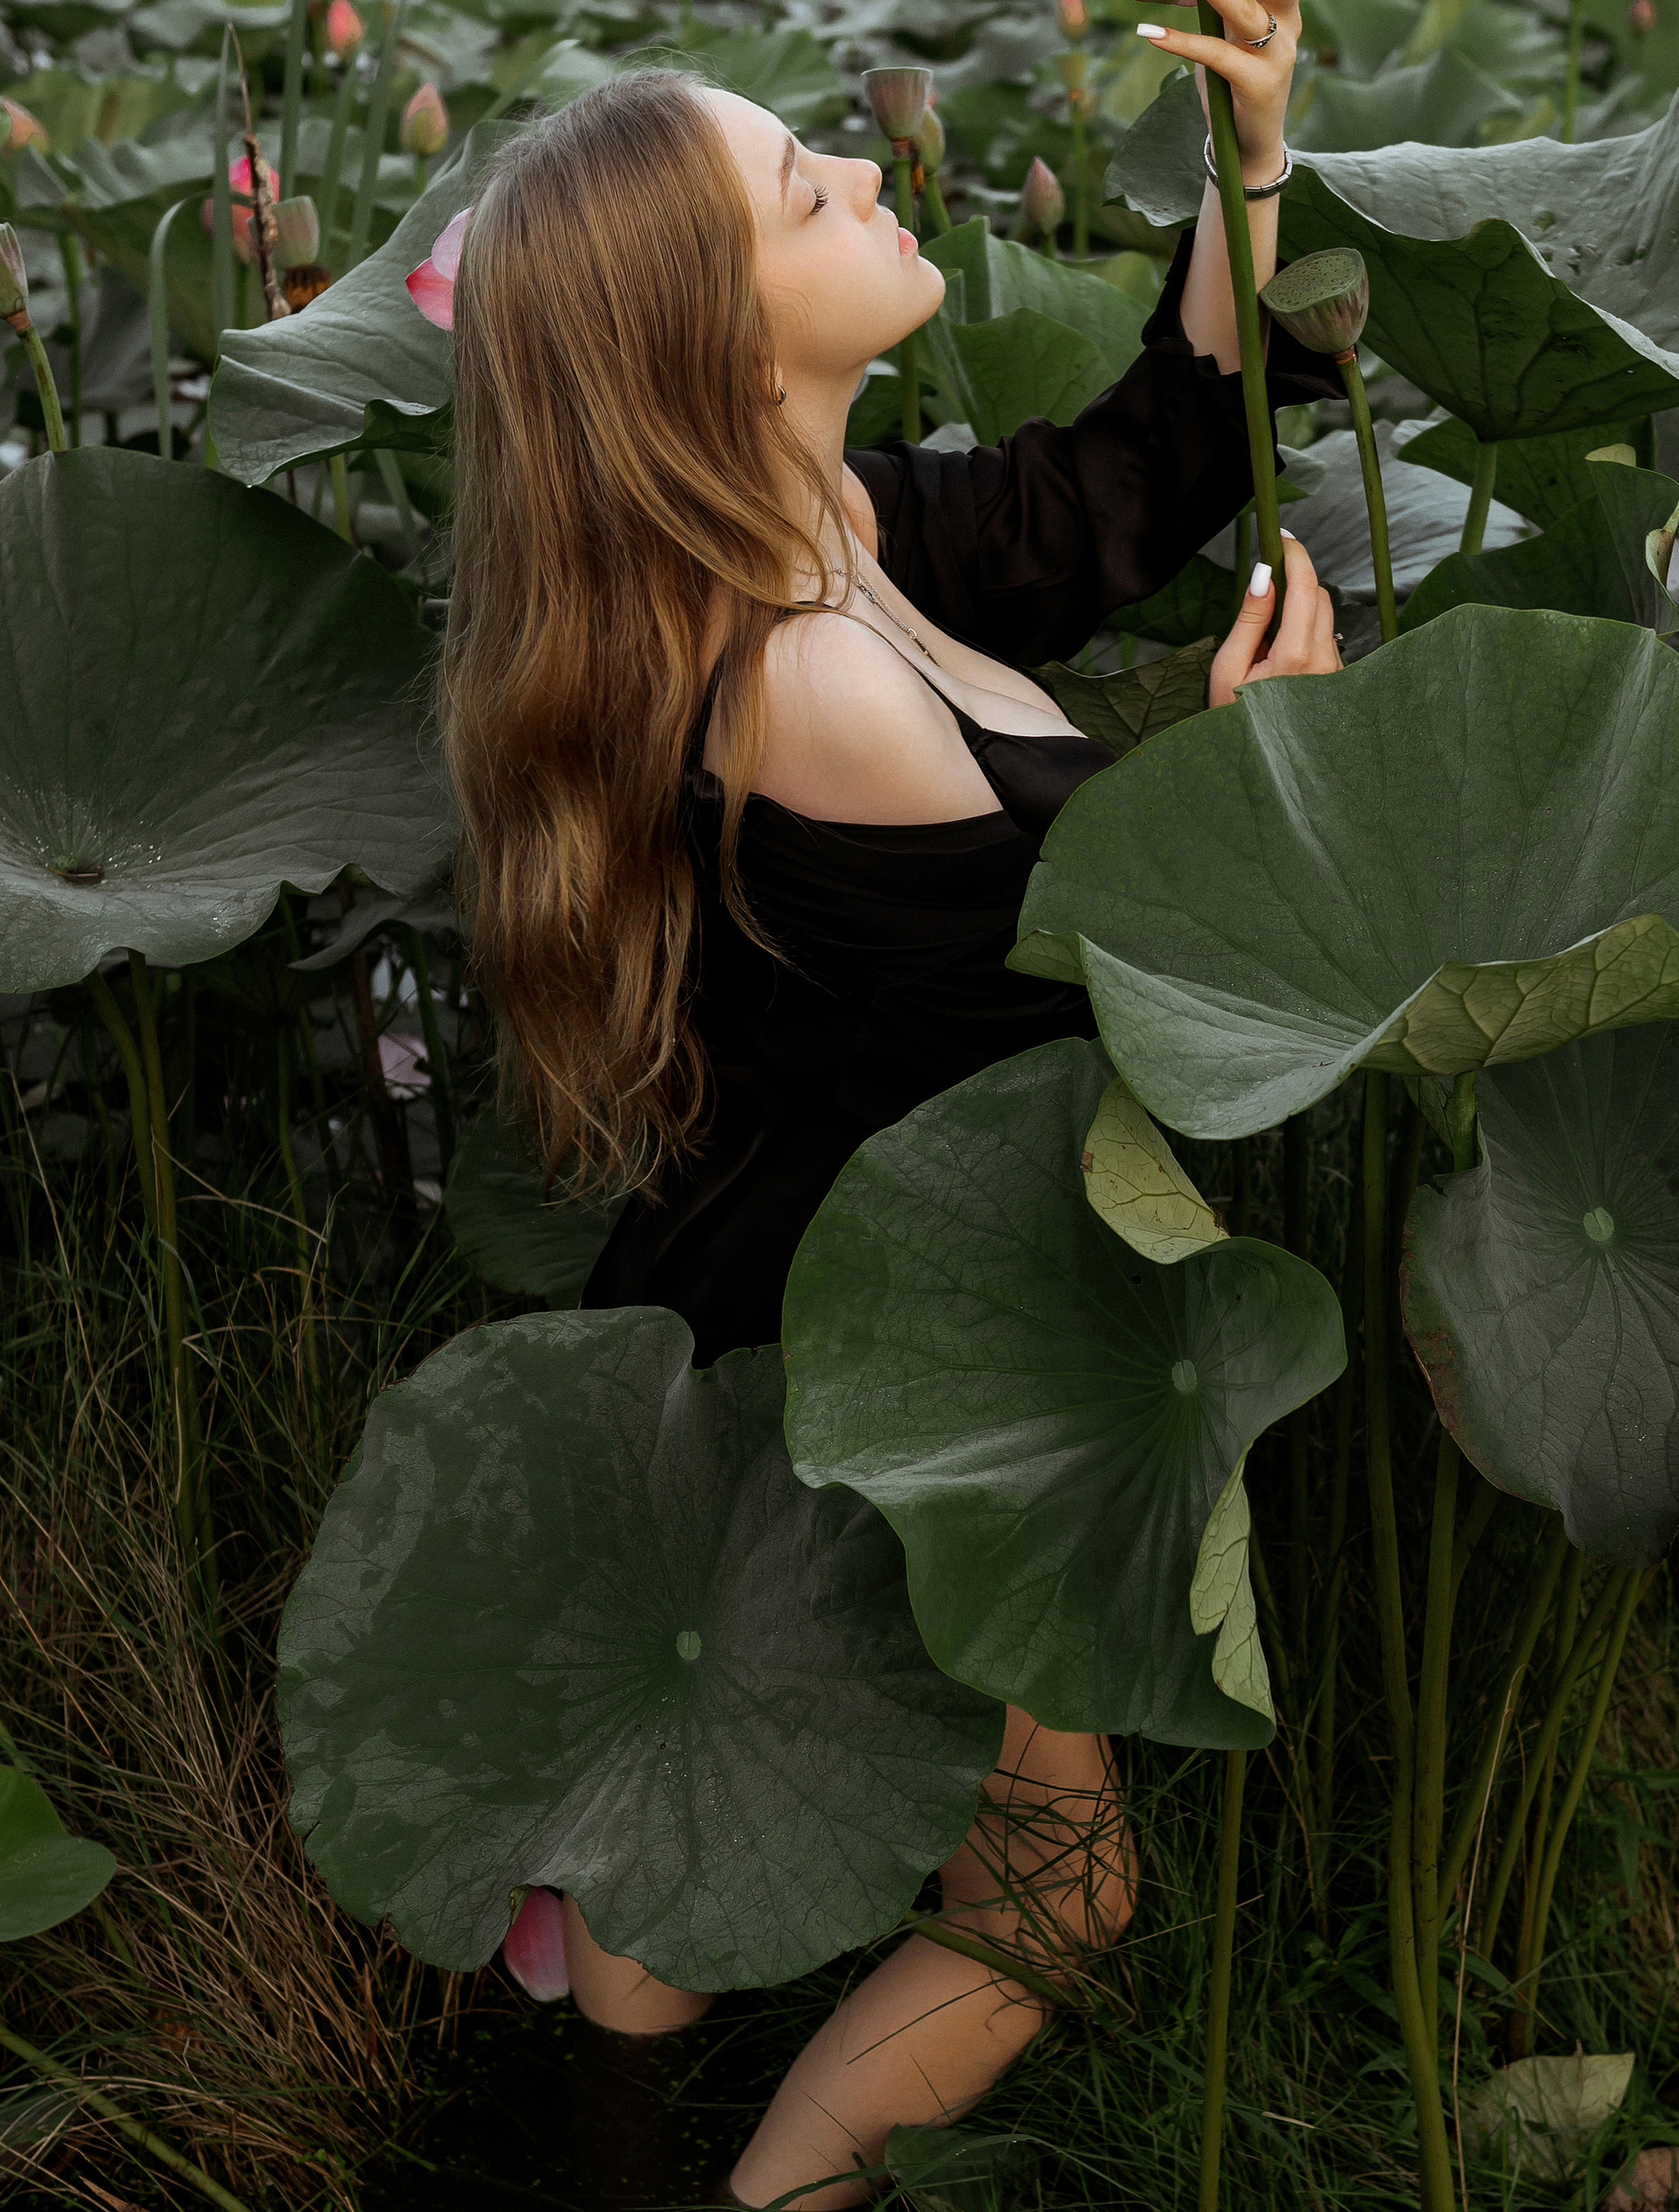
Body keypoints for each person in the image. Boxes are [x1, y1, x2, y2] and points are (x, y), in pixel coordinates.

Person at [436, 8, 1341, 2201]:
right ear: (720, 347)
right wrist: (1260, 777)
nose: (862, 176)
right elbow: (1083, 1002)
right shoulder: (808, 681)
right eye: (801, 195)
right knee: (1057, 1897)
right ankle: (775, 2187)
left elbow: (1112, 488)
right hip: (917, 1346)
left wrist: (1252, 164)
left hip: (807, 1271)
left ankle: (598, 2070)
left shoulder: (820, 531)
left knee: (734, 1839)